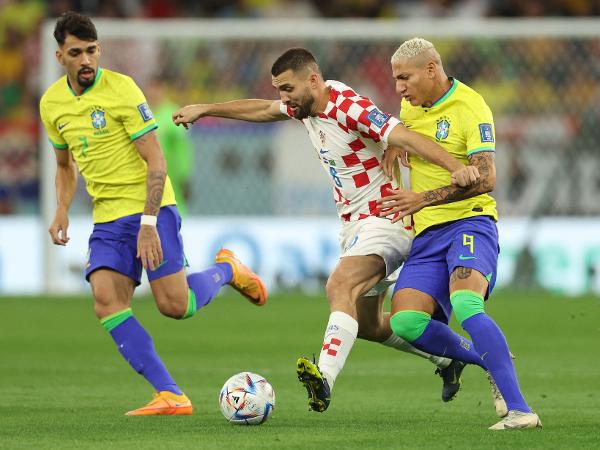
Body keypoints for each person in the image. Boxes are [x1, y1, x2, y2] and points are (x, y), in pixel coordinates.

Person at [172, 48, 480, 413]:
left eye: (287, 88)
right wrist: (205, 109)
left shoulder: (347, 105)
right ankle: (448, 360)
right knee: (367, 325)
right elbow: (262, 110)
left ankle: (325, 379)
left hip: (387, 216)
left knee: (339, 286)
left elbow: (403, 136)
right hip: (354, 224)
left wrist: (455, 166)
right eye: (279, 89)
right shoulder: (306, 105)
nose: (283, 98)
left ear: (313, 80)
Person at [39, 11, 267, 416]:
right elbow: (63, 166)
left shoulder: (123, 89)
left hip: (152, 208)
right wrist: (61, 208)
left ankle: (228, 271)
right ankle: (171, 395)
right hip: (107, 217)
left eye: (92, 50)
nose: (87, 60)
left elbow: (156, 160)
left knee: (175, 306)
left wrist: (148, 224)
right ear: (61, 57)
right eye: (77, 53)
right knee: (106, 301)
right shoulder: (51, 104)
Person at [377, 38, 541, 430]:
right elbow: (408, 135)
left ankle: (521, 411)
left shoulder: (471, 108)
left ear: (432, 69)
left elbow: (487, 178)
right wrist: (394, 146)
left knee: (467, 307)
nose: (398, 87)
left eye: (405, 77)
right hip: (428, 233)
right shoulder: (409, 106)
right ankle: (491, 358)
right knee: (405, 324)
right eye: (395, 79)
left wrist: (423, 197)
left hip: (470, 221)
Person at [146, 77, 194, 217]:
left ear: (164, 90)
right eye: (151, 88)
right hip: (148, 173)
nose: (154, 93)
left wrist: (185, 175)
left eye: (157, 88)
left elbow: (182, 148)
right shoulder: (144, 113)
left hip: (171, 173)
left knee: (174, 206)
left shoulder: (172, 114)